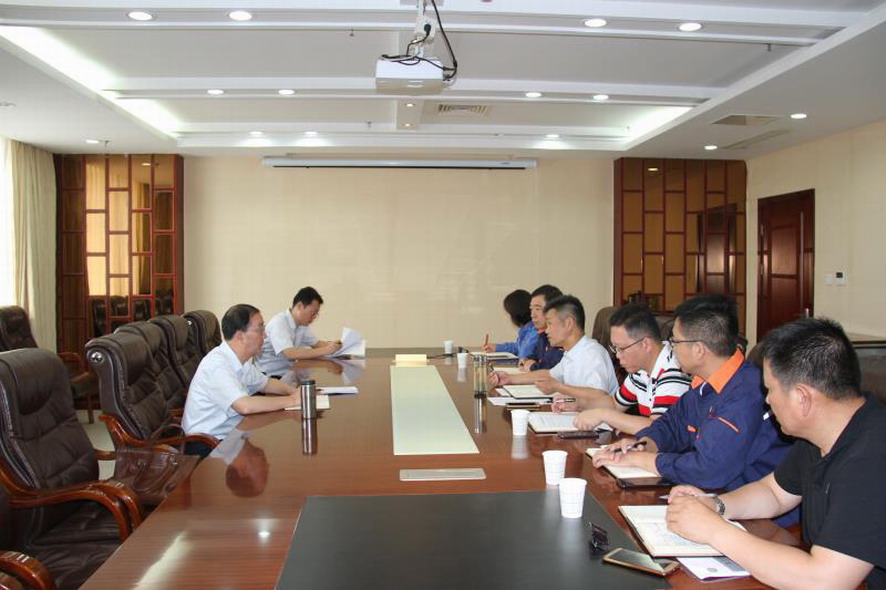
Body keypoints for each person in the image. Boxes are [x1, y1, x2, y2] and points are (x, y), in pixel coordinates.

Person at [665, 318, 886, 589]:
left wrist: (714, 530)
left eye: (770, 389)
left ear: (802, 397)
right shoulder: (820, 435)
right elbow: (773, 493)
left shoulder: (873, 457)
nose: (767, 400)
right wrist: (716, 505)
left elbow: (823, 581)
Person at [592, 294, 790, 493]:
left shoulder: (747, 393)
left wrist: (642, 459)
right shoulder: (703, 383)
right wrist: (642, 445)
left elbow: (708, 469)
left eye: (675, 342)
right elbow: (671, 425)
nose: (671, 348)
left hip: (744, 502)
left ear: (699, 350)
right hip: (710, 494)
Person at [182, 304, 302, 456]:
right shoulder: (217, 365)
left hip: (231, 436)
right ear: (240, 336)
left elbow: (266, 383)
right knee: (277, 450)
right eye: (260, 329)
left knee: (277, 444)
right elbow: (244, 406)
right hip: (206, 445)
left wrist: (294, 391)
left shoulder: (240, 360)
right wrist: (292, 401)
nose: (265, 335)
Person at [557, 302, 691, 434]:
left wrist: (603, 415)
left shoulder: (674, 370)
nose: (617, 355)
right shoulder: (641, 369)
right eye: (615, 348)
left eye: (621, 348)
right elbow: (614, 403)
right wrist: (578, 404)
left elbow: (658, 429)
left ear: (645, 344)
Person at [489, 295, 618, 398]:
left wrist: (559, 387)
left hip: (599, 422)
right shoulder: (571, 352)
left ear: (568, 323)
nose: (546, 330)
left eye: (550, 324)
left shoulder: (592, 353)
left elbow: (599, 395)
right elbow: (549, 374)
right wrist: (510, 379)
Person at [255, 286, 342, 376]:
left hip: (288, 373)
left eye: (316, 314)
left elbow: (317, 344)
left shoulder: (302, 324)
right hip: (270, 376)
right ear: (299, 306)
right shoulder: (279, 322)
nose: (314, 317)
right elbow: (290, 353)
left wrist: (337, 346)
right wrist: (327, 350)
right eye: (312, 313)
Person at [519, 284, 564, 372]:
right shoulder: (543, 335)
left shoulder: (562, 339)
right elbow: (535, 355)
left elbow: (553, 370)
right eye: (531, 309)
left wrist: (533, 366)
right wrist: (526, 360)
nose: (532, 315)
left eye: (537, 309)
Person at [482, 289, 538, 360]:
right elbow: (517, 347)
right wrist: (496, 347)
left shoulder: (535, 332)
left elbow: (524, 354)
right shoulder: (527, 329)